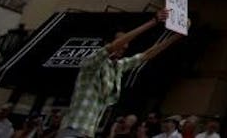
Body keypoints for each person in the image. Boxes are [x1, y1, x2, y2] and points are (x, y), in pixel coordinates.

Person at [59, 10, 183, 138]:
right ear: (108, 43)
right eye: (121, 44)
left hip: (87, 133)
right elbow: (113, 46)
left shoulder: (117, 66)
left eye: (125, 47)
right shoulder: (92, 61)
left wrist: (176, 36)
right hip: (73, 129)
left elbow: (146, 55)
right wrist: (153, 21)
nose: (123, 48)